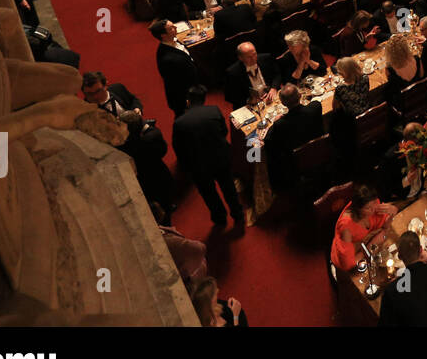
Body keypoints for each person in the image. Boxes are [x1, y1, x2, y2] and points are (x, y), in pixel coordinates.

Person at [80, 71, 175, 222]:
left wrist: (137, 109)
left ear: (106, 85)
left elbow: (134, 100)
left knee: (158, 171)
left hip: (143, 141)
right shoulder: (87, 111)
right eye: (89, 94)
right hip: (125, 152)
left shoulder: (118, 89)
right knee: (144, 182)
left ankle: (168, 201)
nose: (95, 97)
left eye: (98, 91)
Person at [171, 85, 244, 226]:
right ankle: (237, 214)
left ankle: (220, 218)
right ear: (204, 99)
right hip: (220, 159)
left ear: (188, 101)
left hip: (198, 166)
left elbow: (179, 149)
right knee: (229, 188)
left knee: (209, 194)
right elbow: (223, 131)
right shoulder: (214, 111)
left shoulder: (179, 123)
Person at [263, 84, 324, 193]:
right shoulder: (315, 108)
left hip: (296, 164)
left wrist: (274, 122)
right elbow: (315, 102)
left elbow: (267, 140)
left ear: (283, 103)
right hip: (320, 152)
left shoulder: (280, 125)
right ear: (300, 95)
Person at [330, 184, 398, 274]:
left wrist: (393, 210)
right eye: (368, 208)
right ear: (357, 209)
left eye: (374, 203)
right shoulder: (346, 227)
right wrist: (370, 246)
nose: (374, 209)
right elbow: (348, 264)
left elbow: (384, 226)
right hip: (350, 256)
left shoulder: (373, 204)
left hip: (366, 242)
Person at [150, 18, 200, 116]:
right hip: (184, 98)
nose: (175, 27)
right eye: (171, 28)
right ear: (163, 35)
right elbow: (175, 83)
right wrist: (187, 98)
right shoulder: (167, 60)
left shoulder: (173, 41)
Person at [223, 40, 281, 110]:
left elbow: (277, 74)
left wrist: (274, 88)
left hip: (270, 96)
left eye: (254, 54)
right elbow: (230, 96)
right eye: (249, 57)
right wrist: (249, 100)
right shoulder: (232, 72)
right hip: (251, 105)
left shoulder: (266, 58)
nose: (254, 58)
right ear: (240, 58)